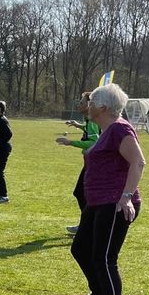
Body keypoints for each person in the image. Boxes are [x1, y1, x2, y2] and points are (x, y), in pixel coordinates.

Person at [70, 83, 145, 295]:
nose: (87, 105)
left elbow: (138, 162)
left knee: (104, 259)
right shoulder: (105, 130)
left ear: (103, 106)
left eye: (91, 102)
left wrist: (125, 198)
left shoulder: (120, 129)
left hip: (114, 204)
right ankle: (99, 294)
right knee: (80, 248)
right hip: (97, 202)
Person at [57, 92, 100, 234]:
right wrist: (79, 126)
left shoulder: (93, 120)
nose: (79, 105)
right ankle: (86, 224)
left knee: (81, 193)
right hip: (91, 163)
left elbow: (93, 142)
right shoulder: (90, 120)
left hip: (94, 164)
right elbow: (92, 132)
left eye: (82, 102)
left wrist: (70, 142)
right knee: (82, 193)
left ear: (90, 105)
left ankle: (87, 226)